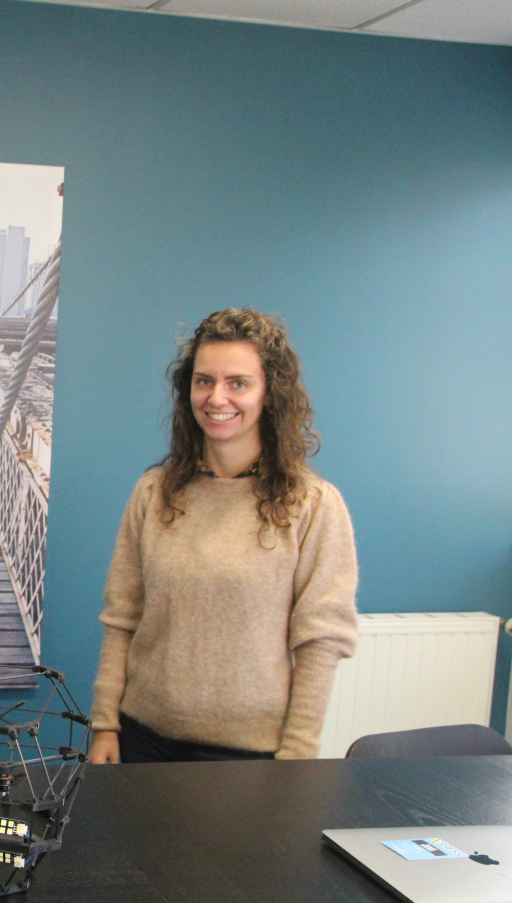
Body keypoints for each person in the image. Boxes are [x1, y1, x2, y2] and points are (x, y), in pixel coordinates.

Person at [89, 308, 357, 764]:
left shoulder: (311, 503)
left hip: (246, 755)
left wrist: (298, 752)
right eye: (203, 380)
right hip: (140, 739)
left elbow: (321, 640)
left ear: (270, 393)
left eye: (238, 382)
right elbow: (122, 617)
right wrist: (104, 724)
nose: (216, 397)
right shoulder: (154, 493)